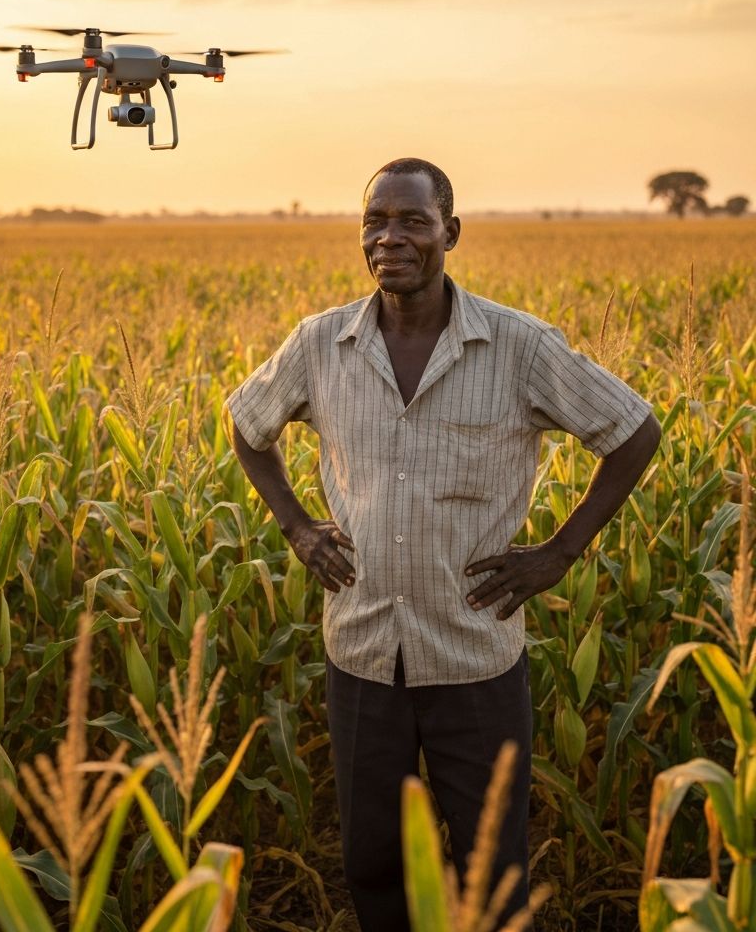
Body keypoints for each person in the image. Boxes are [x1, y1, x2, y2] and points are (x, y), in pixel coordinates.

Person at [227, 158, 661, 930]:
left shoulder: (519, 347)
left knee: (492, 871)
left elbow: (632, 430)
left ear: (449, 234)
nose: (390, 237)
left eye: (412, 222)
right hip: (362, 654)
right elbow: (248, 425)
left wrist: (559, 552)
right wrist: (297, 525)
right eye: (376, 222)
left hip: (473, 657)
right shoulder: (320, 344)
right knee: (372, 860)